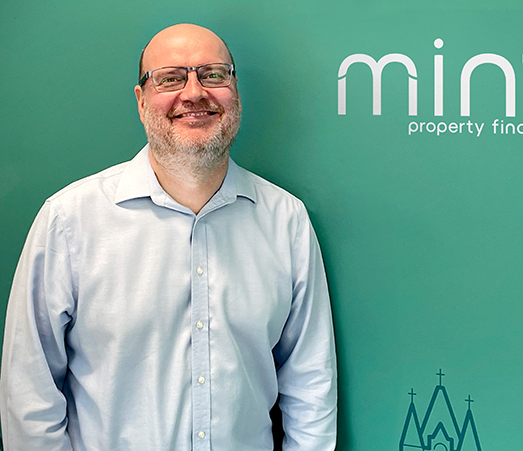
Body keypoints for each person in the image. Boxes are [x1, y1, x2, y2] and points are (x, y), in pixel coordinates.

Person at [0, 24, 337, 451]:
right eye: (170, 78)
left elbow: (310, 384)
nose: (194, 93)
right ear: (141, 101)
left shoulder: (285, 220)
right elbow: (29, 394)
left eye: (213, 74)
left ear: (235, 91)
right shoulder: (68, 221)